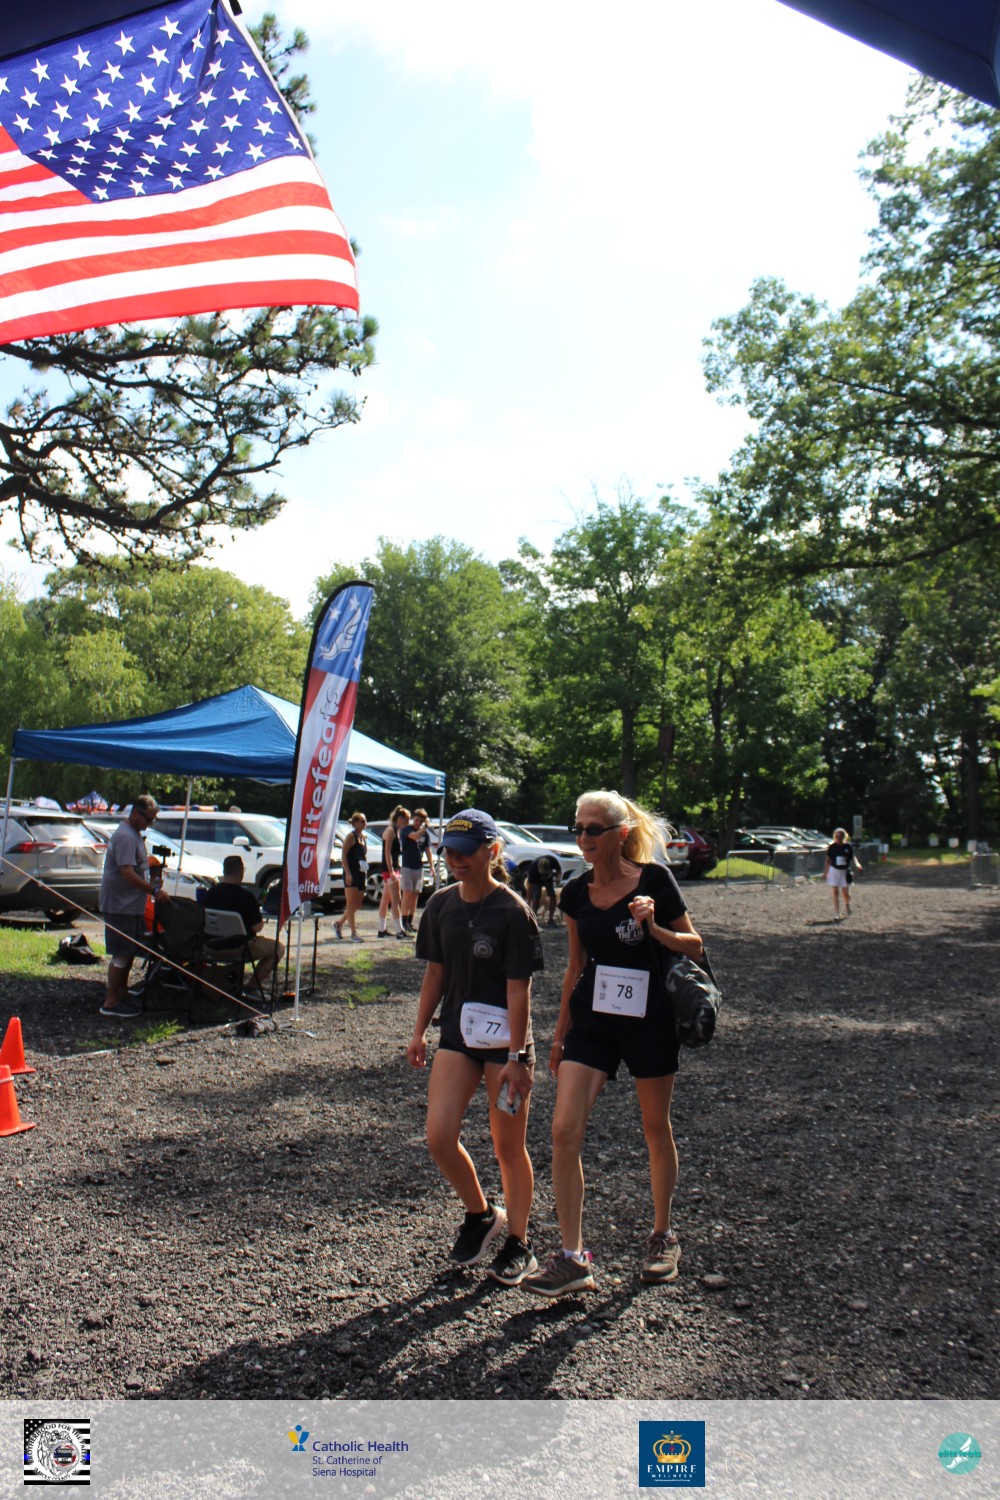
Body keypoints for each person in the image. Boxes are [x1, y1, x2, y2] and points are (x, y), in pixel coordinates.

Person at [523, 790, 703, 1299]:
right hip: (593, 1021)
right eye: (578, 828)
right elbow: (575, 967)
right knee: (563, 1130)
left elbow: (694, 946)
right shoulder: (575, 893)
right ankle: (573, 1258)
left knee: (654, 1126)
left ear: (620, 834)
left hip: (649, 1020)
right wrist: (559, 1036)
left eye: (593, 829)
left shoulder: (654, 881)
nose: (583, 838)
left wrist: (654, 927)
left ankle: (663, 1236)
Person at [408, 809, 544, 1286]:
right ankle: (481, 1214)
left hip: (506, 1046)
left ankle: (519, 1243)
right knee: (438, 1136)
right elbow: (435, 972)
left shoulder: (513, 913)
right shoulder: (441, 905)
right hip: (457, 1039)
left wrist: (518, 1058)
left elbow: (519, 991)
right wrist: (418, 1031)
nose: (456, 860)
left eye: (466, 852)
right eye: (449, 851)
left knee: (508, 1147)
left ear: (493, 851)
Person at [99, 794, 169, 1018]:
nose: (150, 823)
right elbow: (127, 873)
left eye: (153, 820)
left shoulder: (135, 834)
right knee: (121, 953)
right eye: (148, 819)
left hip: (130, 904)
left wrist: (152, 877)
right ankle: (110, 1002)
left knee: (129, 951)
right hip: (120, 904)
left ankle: (122, 992)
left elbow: (137, 868)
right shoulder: (126, 836)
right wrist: (153, 891)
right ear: (135, 813)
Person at [203, 855, 285, 989]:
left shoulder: (210, 893)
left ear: (224, 871)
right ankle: (252, 987)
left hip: (210, 946)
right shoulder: (246, 897)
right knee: (278, 948)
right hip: (239, 949)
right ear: (241, 872)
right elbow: (257, 927)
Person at [399, 808, 437, 934]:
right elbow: (415, 836)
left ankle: (410, 921)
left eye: (421, 821)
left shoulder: (424, 834)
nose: (418, 823)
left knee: (415, 895)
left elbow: (428, 850)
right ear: (413, 819)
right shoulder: (407, 830)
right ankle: (403, 921)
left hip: (418, 866)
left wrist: (431, 866)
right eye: (416, 820)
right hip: (407, 866)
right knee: (407, 893)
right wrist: (425, 827)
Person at [376, 806, 409, 940]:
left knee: (386, 898)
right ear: (399, 818)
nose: (407, 823)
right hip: (390, 869)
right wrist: (391, 871)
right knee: (396, 898)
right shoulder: (390, 831)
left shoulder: (396, 831)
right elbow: (387, 852)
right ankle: (399, 930)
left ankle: (381, 929)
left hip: (394, 867)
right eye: (406, 820)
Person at [336, 812, 369, 943]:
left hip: (361, 872)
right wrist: (348, 873)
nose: (364, 823)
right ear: (355, 823)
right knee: (351, 903)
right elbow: (343, 855)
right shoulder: (351, 836)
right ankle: (353, 933)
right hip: (351, 872)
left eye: (365, 821)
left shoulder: (363, 837)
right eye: (361, 821)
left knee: (357, 903)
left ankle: (339, 923)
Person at [823, 827, 860, 921]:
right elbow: (828, 860)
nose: (838, 838)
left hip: (844, 871)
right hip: (834, 870)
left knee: (845, 893)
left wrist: (857, 864)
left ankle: (847, 904)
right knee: (835, 892)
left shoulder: (848, 847)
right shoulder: (832, 847)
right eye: (837, 836)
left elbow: (853, 857)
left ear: (844, 837)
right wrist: (826, 872)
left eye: (840, 836)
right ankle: (837, 912)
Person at [525, 854, 558, 927]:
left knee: (553, 895)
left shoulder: (553, 861)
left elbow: (559, 871)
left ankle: (551, 919)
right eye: (542, 873)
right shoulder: (532, 870)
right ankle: (533, 919)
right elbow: (529, 889)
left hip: (549, 878)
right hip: (536, 881)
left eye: (545, 873)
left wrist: (558, 878)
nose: (543, 876)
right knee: (536, 896)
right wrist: (528, 904)